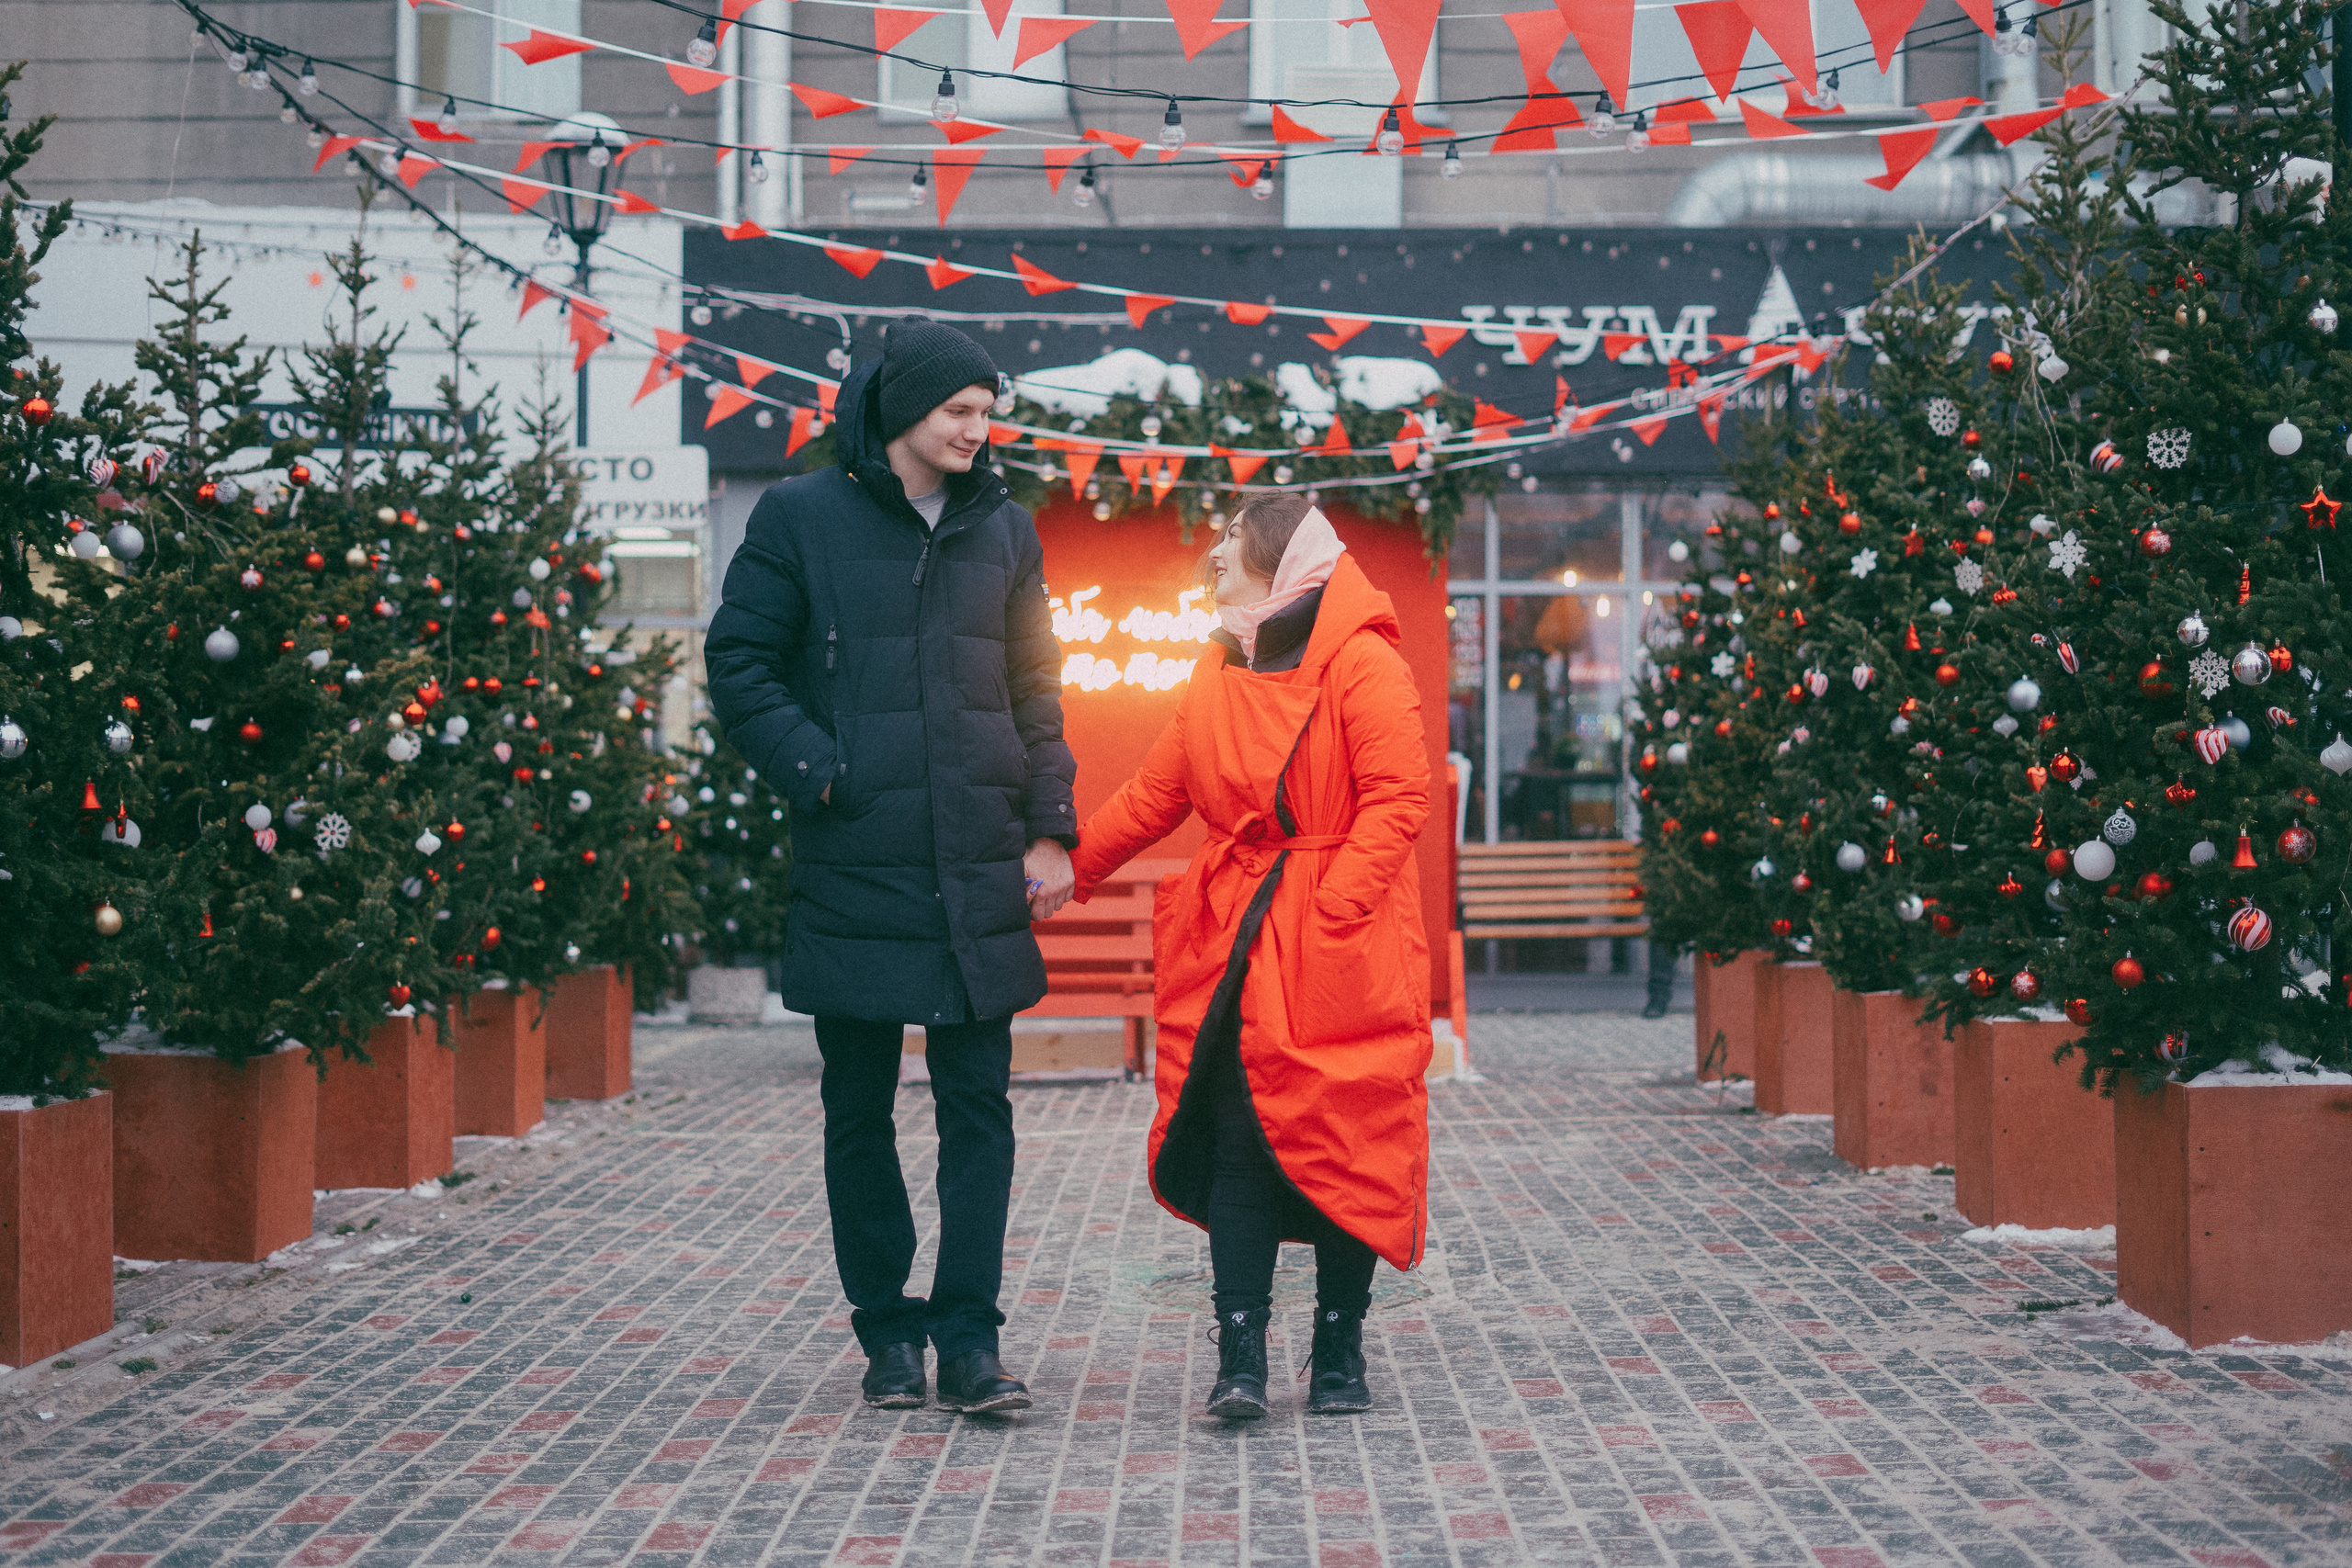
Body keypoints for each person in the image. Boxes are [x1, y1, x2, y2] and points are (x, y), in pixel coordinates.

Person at [706, 321, 1077, 1416]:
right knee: (857, 1107)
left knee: (979, 1109)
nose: (979, 429)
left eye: (986, 410)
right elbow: (738, 661)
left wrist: (1048, 826)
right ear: (903, 410)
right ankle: (885, 1329)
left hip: (973, 860)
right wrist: (823, 771)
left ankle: (969, 1339)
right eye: (959, 410)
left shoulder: (1004, 531)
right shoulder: (799, 517)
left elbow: (1036, 686)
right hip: (856, 856)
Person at [1069, 496, 1431, 1420]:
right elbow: (1157, 791)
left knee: (1348, 1133)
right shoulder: (1220, 667)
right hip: (1241, 940)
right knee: (1239, 1140)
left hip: (1337, 940)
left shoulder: (1362, 659)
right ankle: (1240, 1359)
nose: (1216, 549)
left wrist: (1339, 907)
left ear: (1279, 553)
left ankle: (1339, 1352)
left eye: (1233, 535)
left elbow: (1398, 797)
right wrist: (1064, 872)